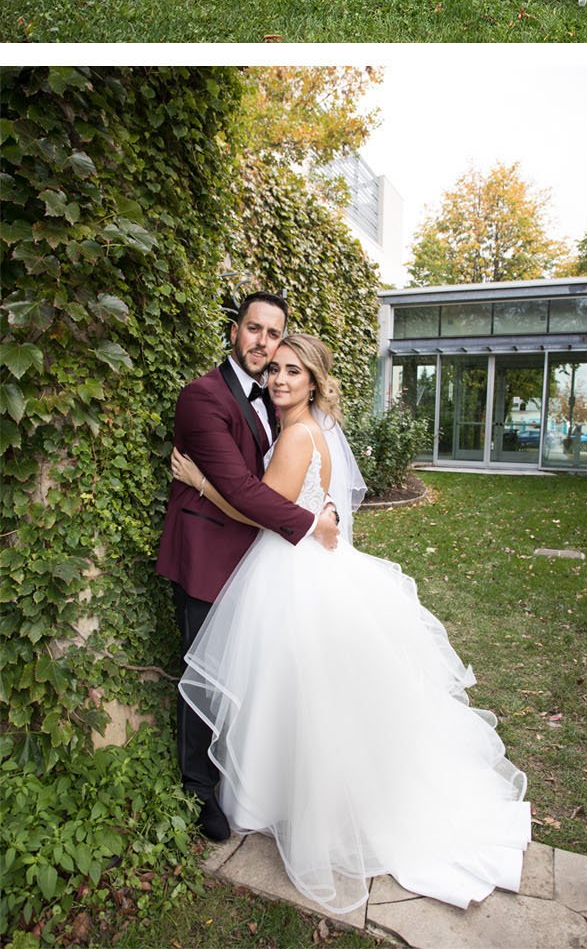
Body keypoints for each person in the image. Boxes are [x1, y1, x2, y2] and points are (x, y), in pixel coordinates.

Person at [169, 333, 531, 914]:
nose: (279, 379)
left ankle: (299, 805)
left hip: (289, 570)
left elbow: (260, 509)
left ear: (313, 382)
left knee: (296, 694)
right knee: (301, 693)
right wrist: (320, 516)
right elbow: (307, 504)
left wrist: (202, 483)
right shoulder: (314, 430)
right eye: (276, 371)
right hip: (308, 563)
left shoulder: (296, 434)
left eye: (293, 372)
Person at [155, 293, 340, 843]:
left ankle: (245, 773)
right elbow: (239, 489)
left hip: (258, 560)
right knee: (207, 676)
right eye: (253, 330)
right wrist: (311, 522)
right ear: (235, 331)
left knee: (247, 676)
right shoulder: (202, 397)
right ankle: (198, 789)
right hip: (209, 556)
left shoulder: (276, 402)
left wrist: (313, 512)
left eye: (273, 333)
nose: (263, 342)